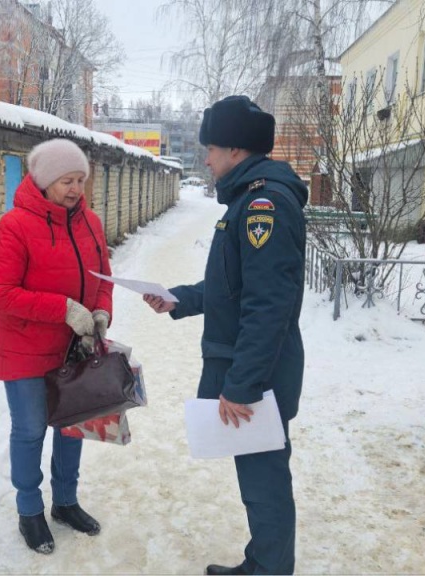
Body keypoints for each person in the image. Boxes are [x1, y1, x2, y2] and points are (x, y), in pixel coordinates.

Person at [143, 95, 308, 575]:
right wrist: (179, 298)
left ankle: (269, 569)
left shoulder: (263, 205)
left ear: (235, 150)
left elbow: (267, 307)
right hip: (253, 370)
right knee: (259, 476)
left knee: (265, 479)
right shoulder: (248, 199)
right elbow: (233, 289)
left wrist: (242, 386)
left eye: (212, 149)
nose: (207, 159)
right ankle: (263, 562)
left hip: (258, 374)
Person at [0, 138, 114, 554]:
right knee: (29, 430)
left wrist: (100, 313)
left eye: (80, 180)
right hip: (24, 349)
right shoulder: (16, 226)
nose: (76, 189)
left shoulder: (90, 223)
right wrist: (62, 309)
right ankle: (30, 512)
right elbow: (1, 292)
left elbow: (103, 280)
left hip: (73, 349)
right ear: (43, 182)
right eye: (66, 181)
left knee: (71, 426)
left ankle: (65, 502)